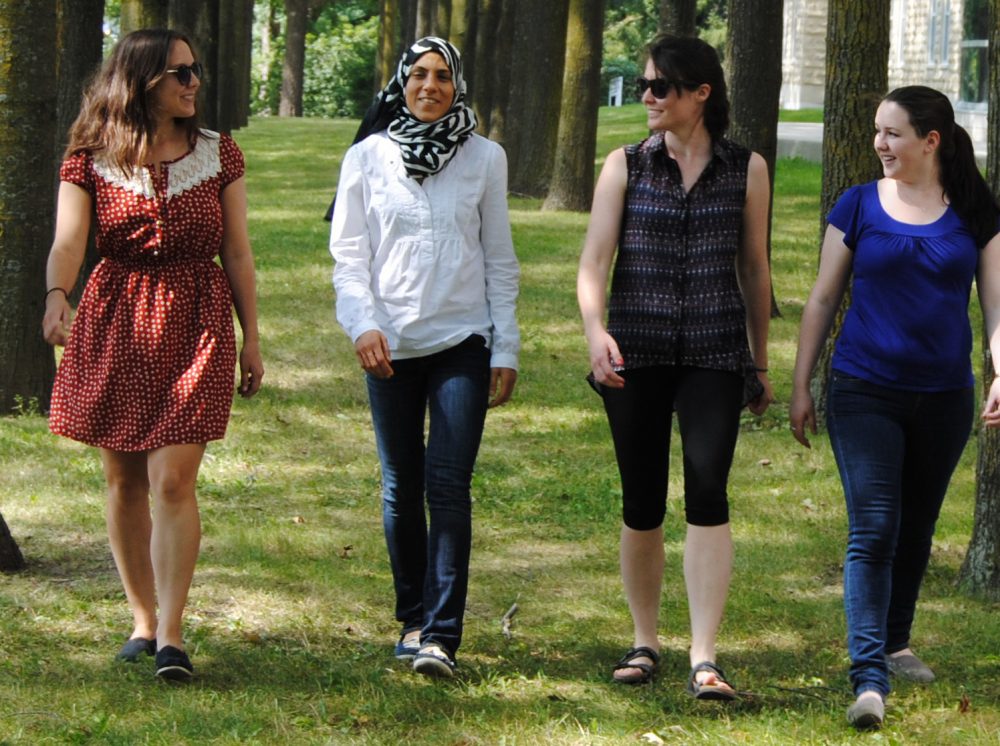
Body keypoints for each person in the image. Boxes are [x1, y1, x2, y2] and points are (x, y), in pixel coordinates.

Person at [42, 29, 264, 681]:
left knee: (173, 479)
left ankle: (172, 634)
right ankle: (141, 618)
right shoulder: (89, 157)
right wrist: (57, 295)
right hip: (117, 319)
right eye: (179, 73)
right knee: (124, 480)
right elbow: (67, 244)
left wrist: (253, 337)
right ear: (141, 82)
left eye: (195, 70)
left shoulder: (219, 154)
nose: (194, 82)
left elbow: (240, 253)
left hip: (197, 318)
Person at [790, 85, 1000, 729]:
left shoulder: (975, 211)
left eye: (893, 133)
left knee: (915, 528)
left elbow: (996, 304)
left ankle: (897, 640)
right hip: (863, 389)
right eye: (878, 132)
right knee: (875, 527)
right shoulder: (857, 204)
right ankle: (869, 675)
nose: (879, 144)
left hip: (944, 397)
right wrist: (802, 384)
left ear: (930, 141)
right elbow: (823, 299)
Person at [577, 34, 773, 698]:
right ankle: (644, 640)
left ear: (701, 93)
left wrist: (760, 359)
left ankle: (704, 654)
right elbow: (593, 261)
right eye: (645, 85)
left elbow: (753, 265)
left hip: (716, 353)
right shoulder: (624, 165)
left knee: (708, 491)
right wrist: (594, 330)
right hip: (635, 350)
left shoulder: (747, 168)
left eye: (660, 86)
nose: (648, 97)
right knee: (641, 501)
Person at [328, 37, 519, 679]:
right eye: (419, 75)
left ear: (456, 85)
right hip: (389, 346)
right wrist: (363, 326)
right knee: (400, 486)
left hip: (463, 340)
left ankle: (441, 634)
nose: (430, 86)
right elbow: (349, 260)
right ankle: (411, 618)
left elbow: (499, 259)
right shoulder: (366, 158)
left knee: (448, 485)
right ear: (402, 83)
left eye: (442, 76)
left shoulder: (486, 158)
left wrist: (506, 345)